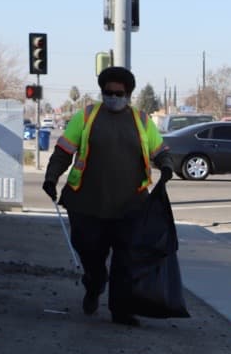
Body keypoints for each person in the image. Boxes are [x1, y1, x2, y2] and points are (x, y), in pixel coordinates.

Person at [42, 66, 174, 327]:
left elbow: (160, 151)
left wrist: (167, 166)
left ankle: (121, 311)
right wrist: (51, 177)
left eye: (118, 93)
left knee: (125, 260)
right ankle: (94, 283)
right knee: (90, 252)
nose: (113, 97)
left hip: (130, 205)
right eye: (108, 92)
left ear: (128, 94)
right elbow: (63, 151)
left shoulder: (142, 121)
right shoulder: (86, 117)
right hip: (85, 204)